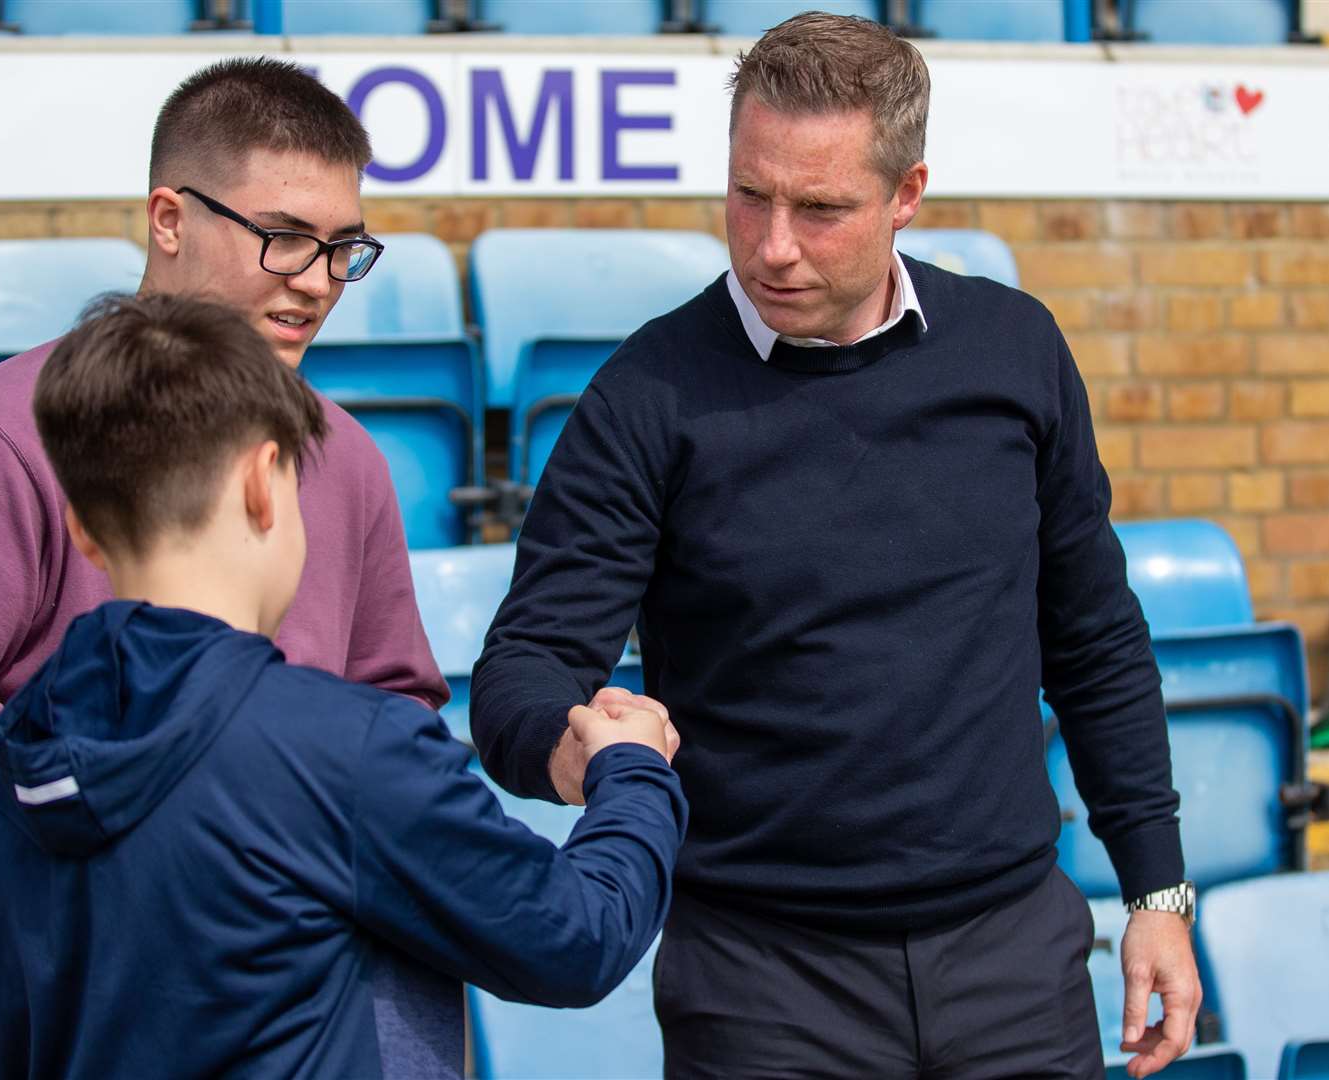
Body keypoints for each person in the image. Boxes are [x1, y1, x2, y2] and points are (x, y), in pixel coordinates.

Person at [470, 13, 1200, 1080]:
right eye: (747, 195)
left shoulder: (1014, 351)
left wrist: (1155, 891)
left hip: (1012, 963)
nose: (771, 245)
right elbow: (521, 672)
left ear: (905, 194)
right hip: (759, 985)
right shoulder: (645, 396)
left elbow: (1092, 640)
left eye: (819, 210)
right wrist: (574, 750)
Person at [0, 293, 686, 1079]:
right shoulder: (347, 751)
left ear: (82, 526)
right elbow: (577, 938)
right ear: (265, 482)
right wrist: (632, 772)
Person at [0, 58, 447, 943]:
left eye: (342, 247)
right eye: (282, 236)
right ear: (169, 220)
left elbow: (400, 702)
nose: (317, 280)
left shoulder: (345, 455)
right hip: (62, 991)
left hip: (292, 982)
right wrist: (158, 799)